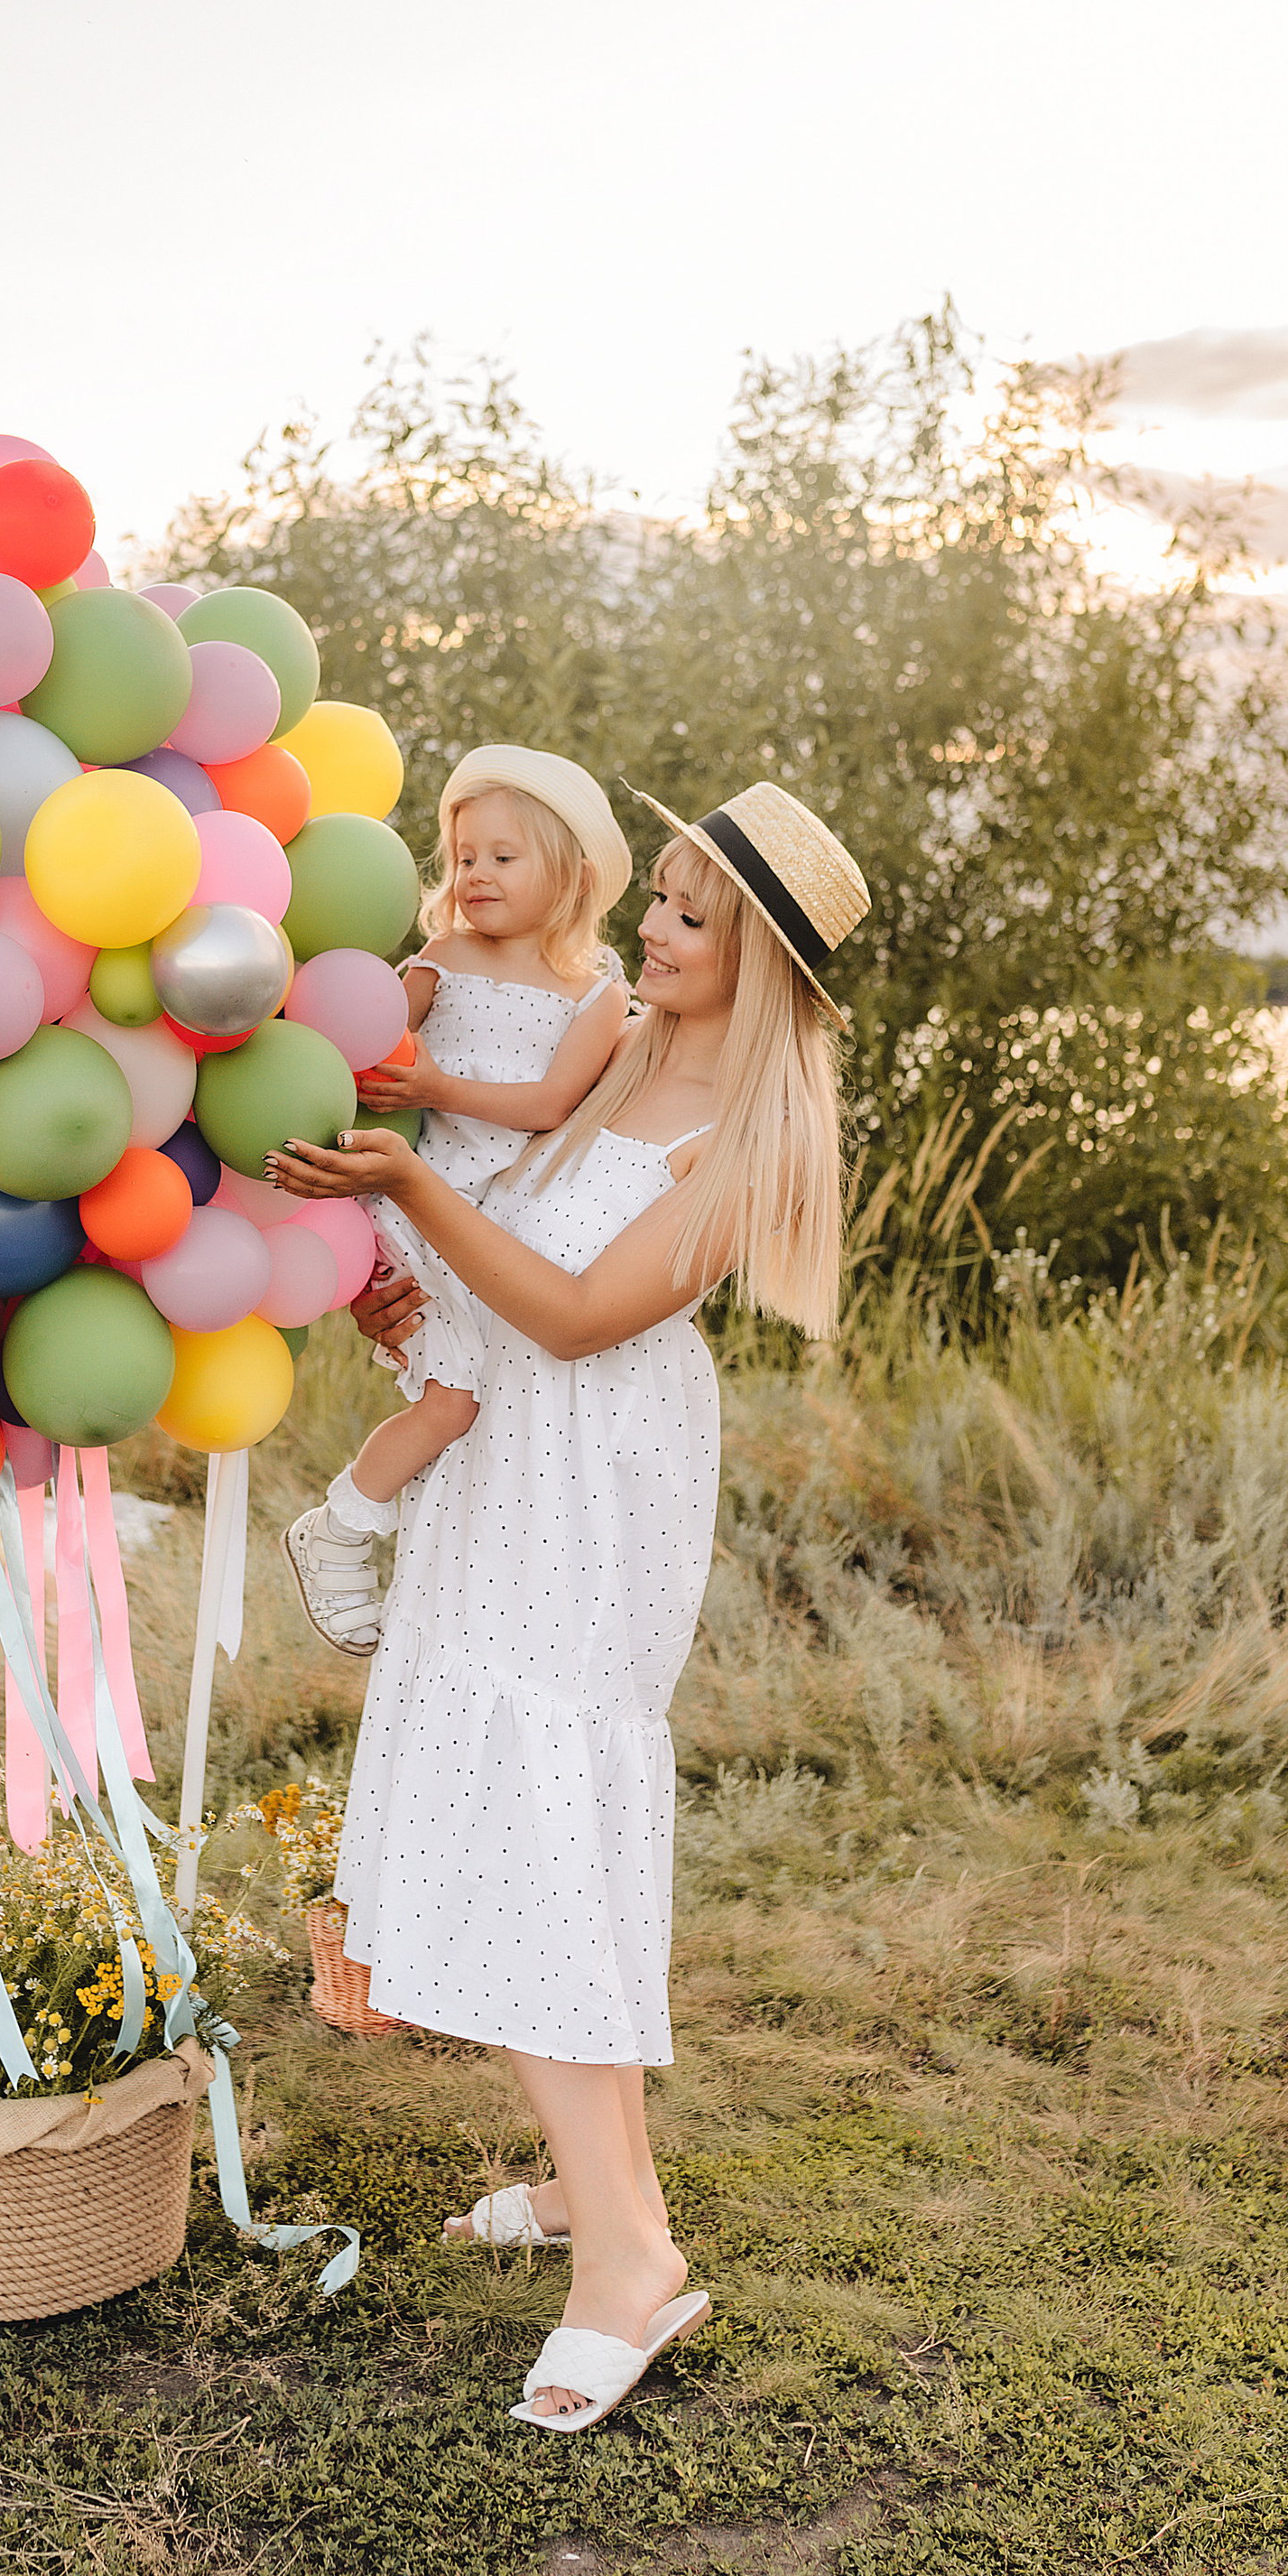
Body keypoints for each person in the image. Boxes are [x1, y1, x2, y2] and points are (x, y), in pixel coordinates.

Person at [269, 781, 867, 2434]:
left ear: (761, 960)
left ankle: (631, 2258)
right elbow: (505, 1255)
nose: (653, 929)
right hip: (507, 1465)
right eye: (660, 898)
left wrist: (414, 1185)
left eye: (690, 914)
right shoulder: (614, 1059)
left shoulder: (749, 1134)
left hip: (597, 1479)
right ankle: (591, 2186)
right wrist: (401, 1282)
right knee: (521, 1819)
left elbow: (589, 1314)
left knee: (536, 1820)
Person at [281, 747, 634, 1660]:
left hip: (504, 1226)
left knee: (491, 1413)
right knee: (454, 1401)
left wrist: (440, 1084)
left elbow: (551, 1103)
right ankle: (342, 1529)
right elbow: (369, 1037)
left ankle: (435, 1579)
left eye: (503, 857)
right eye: (465, 855)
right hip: (422, 1207)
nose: (476, 874)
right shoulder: (442, 957)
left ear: (573, 875)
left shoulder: (598, 990)